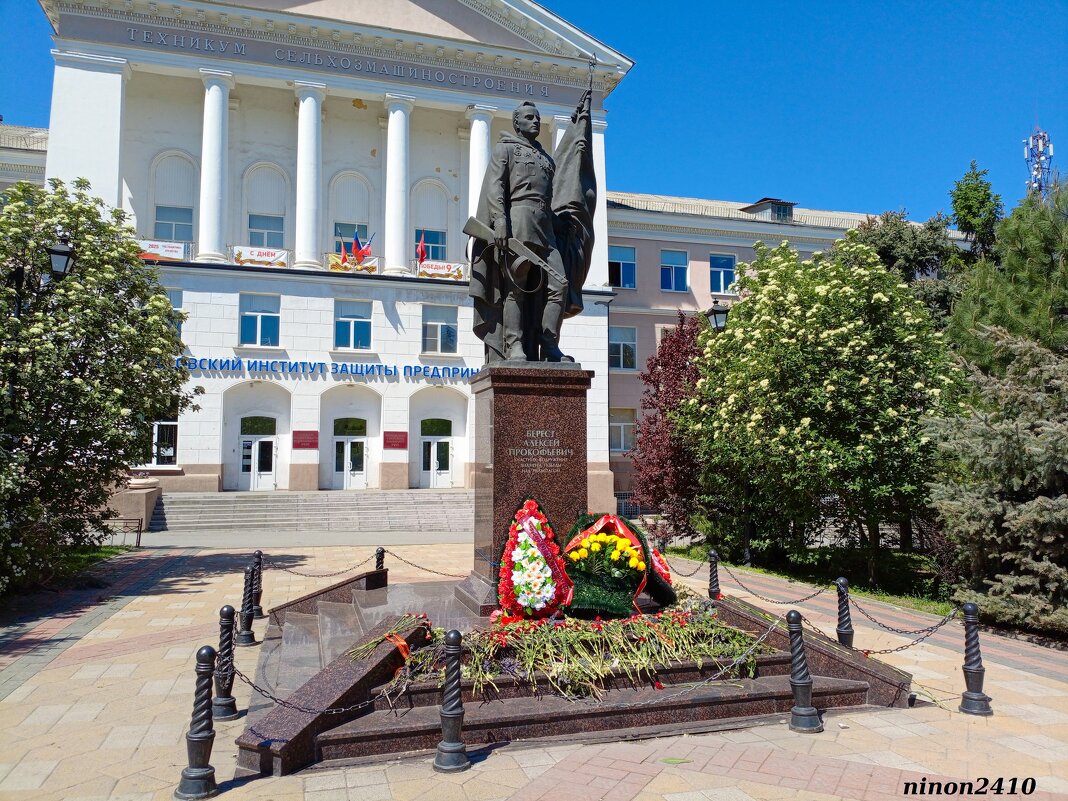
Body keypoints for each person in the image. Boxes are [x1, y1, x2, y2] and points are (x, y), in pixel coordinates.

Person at [469, 89, 596, 363]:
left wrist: (560, 222)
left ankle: (548, 344)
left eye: (537, 118)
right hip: (519, 224)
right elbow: (496, 187)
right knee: (516, 287)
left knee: (559, 285)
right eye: (529, 118)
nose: (535, 122)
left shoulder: (547, 160)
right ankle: (514, 345)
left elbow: (549, 198)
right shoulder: (505, 149)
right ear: (517, 123)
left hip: (545, 229)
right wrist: (500, 220)